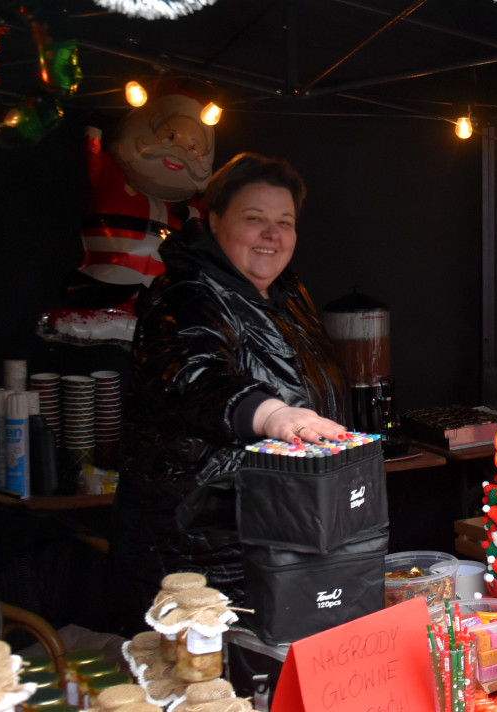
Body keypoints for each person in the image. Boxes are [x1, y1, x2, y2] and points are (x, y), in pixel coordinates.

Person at [109, 152, 350, 632]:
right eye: (254, 218)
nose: (272, 234)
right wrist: (273, 415)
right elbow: (196, 377)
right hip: (200, 552)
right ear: (214, 220)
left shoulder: (287, 294)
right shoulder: (186, 294)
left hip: (278, 535)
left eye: (285, 222)